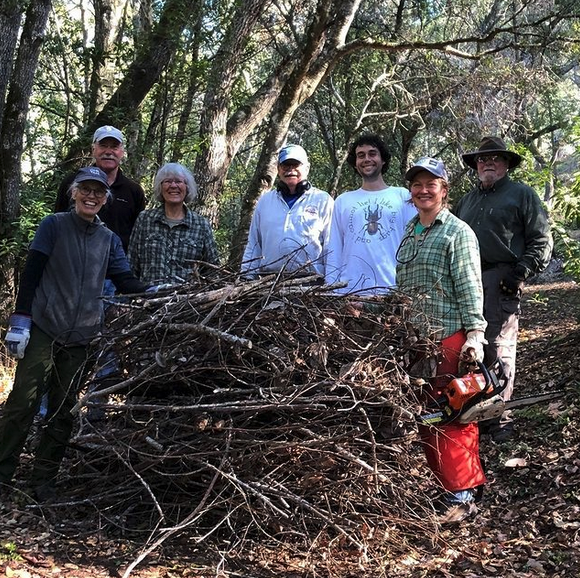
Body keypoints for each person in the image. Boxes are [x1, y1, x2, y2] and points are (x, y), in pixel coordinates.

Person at [0, 167, 149, 501]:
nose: (92, 196)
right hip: (44, 327)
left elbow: (124, 279)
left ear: (105, 198)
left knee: (63, 409)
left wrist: (153, 291)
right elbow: (31, 272)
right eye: (86, 190)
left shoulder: (108, 239)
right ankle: (2, 475)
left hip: (81, 337)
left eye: (98, 192)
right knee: (23, 403)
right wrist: (20, 319)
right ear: (74, 193)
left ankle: (43, 484)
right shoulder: (53, 225)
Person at [396, 156, 488, 524]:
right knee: (428, 418)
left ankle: (462, 497)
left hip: (448, 339)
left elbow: (470, 287)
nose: (423, 190)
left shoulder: (458, 232)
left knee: (454, 416)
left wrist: (475, 335)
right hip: (416, 342)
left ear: (444, 190)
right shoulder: (410, 230)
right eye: (417, 184)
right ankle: (447, 489)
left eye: (430, 183)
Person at [455, 136, 552, 442]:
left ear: (506, 163)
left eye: (495, 158)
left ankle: (499, 418)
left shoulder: (521, 194)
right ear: (476, 165)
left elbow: (541, 239)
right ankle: (474, 413)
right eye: (482, 160)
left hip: (501, 279)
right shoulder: (467, 200)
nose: (488, 164)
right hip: (465, 280)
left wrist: (521, 271)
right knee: (470, 347)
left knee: (498, 347)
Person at [325, 134, 417, 294]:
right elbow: (334, 247)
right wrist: (331, 290)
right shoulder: (343, 201)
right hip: (349, 293)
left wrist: (410, 288)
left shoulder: (402, 196)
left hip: (391, 292)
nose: (366, 159)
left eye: (372, 153)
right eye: (361, 155)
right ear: (355, 163)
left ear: (383, 160)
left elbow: (415, 243)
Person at [241, 144, 334, 278]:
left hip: (312, 284)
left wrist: (332, 281)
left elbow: (331, 246)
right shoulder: (265, 202)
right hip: (268, 283)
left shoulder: (323, 200)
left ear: (307, 168)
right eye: (286, 165)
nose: (291, 170)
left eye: (296, 165)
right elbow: (254, 244)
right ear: (278, 169)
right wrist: (246, 278)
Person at [54, 125, 146, 252]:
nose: (108, 152)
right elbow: (58, 225)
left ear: (122, 152)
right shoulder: (72, 182)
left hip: (116, 267)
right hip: (72, 262)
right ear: (93, 149)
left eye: (114, 146)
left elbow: (138, 238)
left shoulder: (134, 191)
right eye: (103, 145)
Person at [128, 162, 220, 285]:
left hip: (187, 301)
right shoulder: (145, 219)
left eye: (178, 181)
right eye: (167, 181)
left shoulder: (200, 225)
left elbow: (213, 269)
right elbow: (131, 263)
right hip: (147, 299)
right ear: (160, 187)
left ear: (187, 187)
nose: (173, 186)